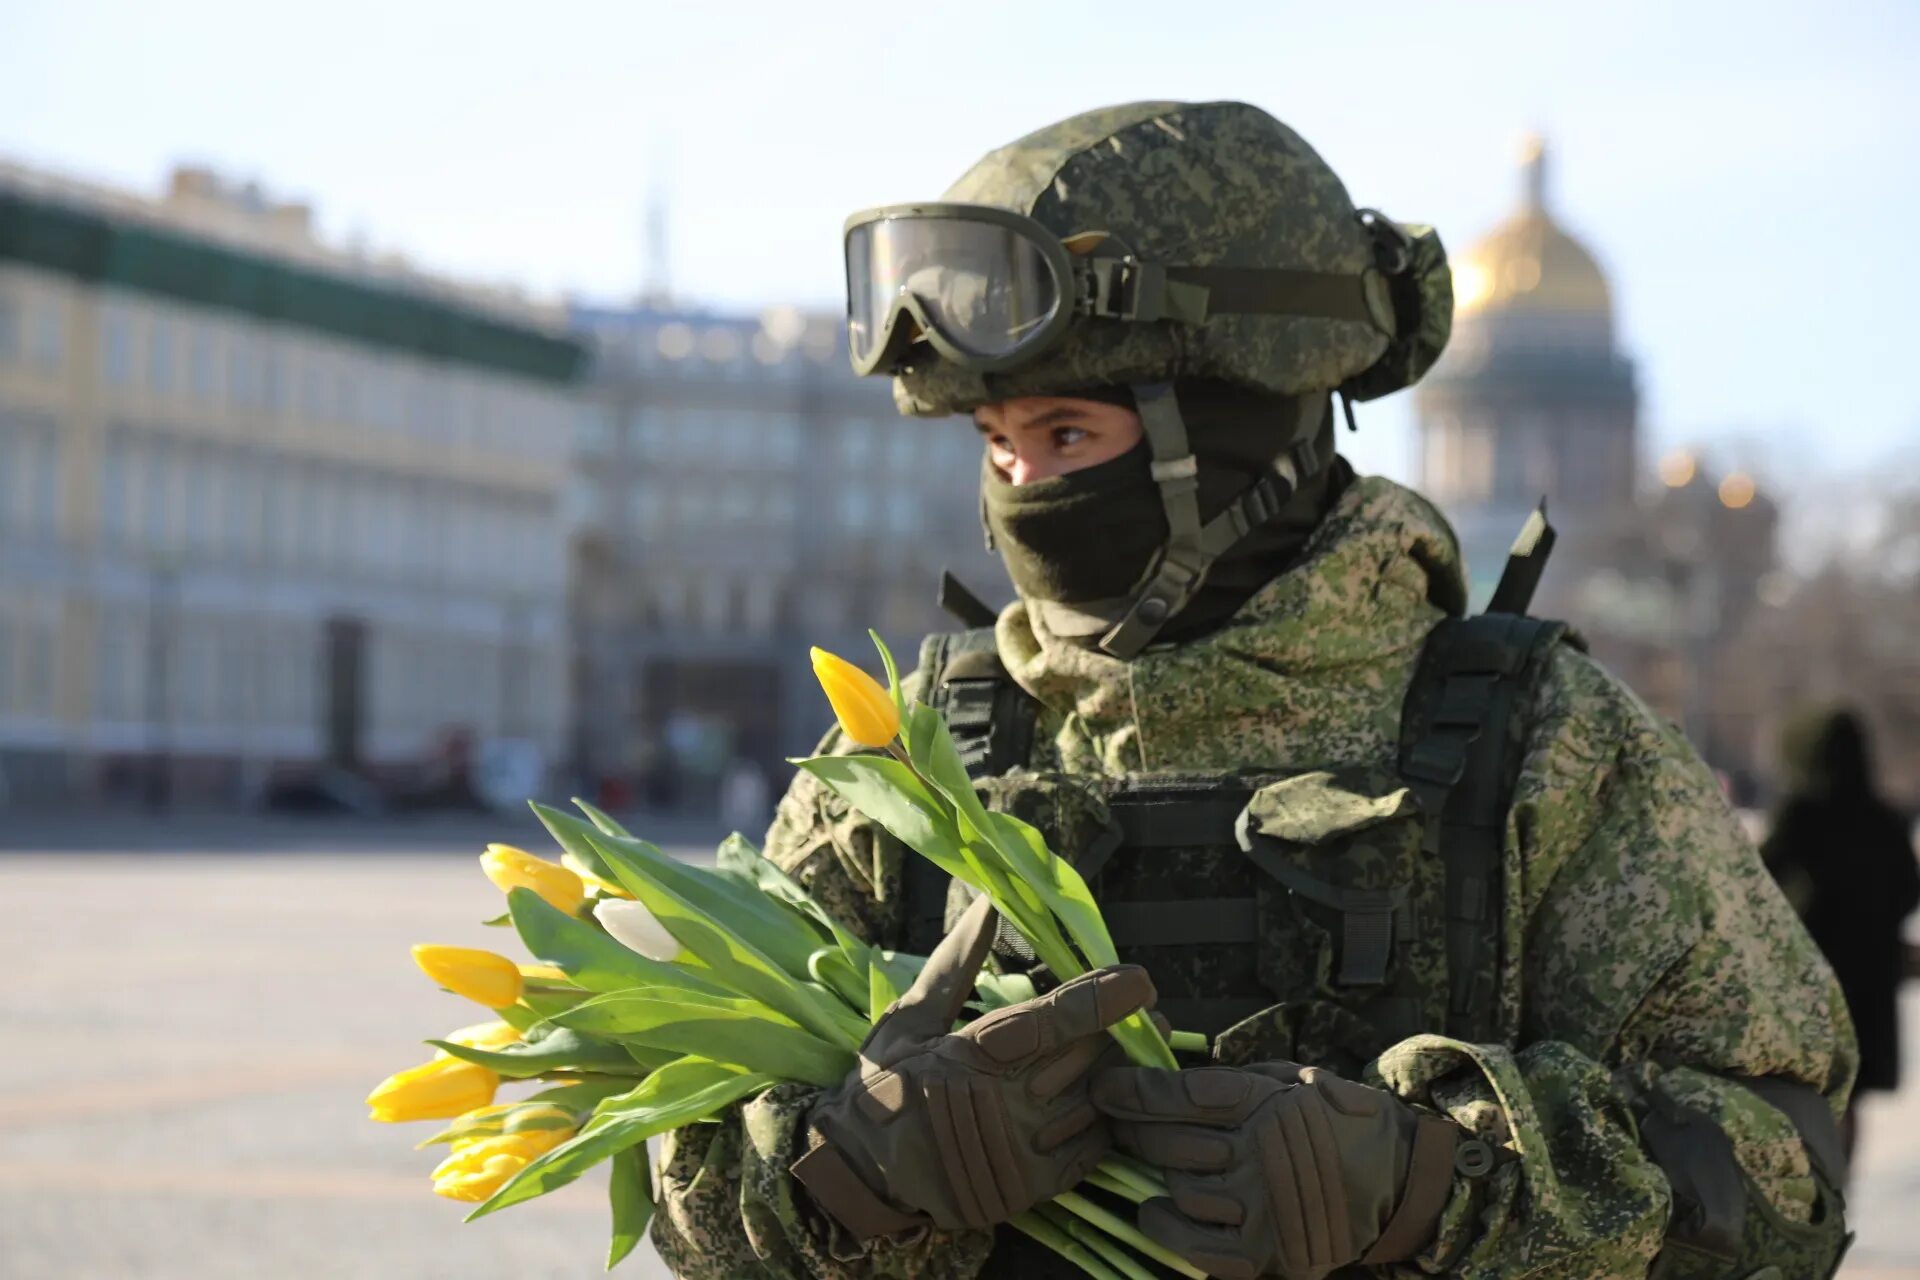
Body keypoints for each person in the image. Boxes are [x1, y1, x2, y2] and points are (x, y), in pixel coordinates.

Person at [650, 101, 1855, 1279]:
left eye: (1068, 435)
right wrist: (850, 1163)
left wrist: (1433, 1183)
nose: (1024, 488)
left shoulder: (1545, 747)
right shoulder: (912, 761)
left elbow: (1777, 1183)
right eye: (996, 441)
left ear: (1239, 427)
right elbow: (687, 1181)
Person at [1763, 706, 1920, 1162]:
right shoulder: (1884, 821)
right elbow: (1908, 891)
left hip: (1806, 979)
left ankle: (1810, 1199)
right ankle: (1837, 1191)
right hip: (1868, 984)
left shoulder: (1800, 817)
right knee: (1847, 1099)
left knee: (1804, 1093)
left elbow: (1755, 883)